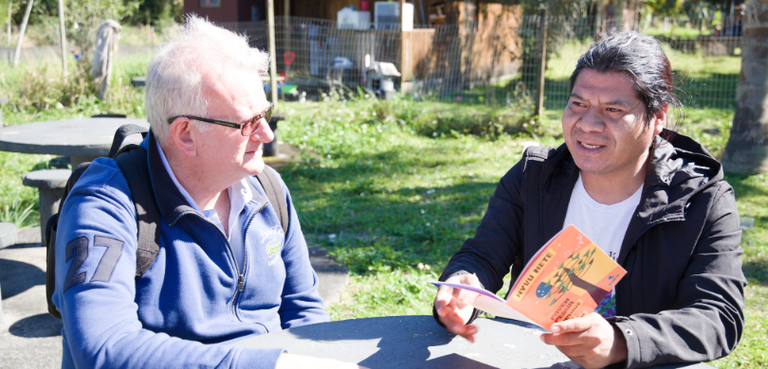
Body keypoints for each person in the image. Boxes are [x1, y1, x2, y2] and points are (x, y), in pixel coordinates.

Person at [52, 16, 357, 369]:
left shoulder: (268, 190)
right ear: (185, 134)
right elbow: (104, 348)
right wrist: (272, 365)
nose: (267, 135)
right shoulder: (106, 199)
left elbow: (303, 311)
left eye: (267, 114)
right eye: (248, 123)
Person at [433, 31, 746, 369]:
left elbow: (718, 316)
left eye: (613, 109)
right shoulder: (533, 177)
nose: (588, 124)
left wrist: (621, 341)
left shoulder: (703, 199)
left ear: (658, 118)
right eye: (578, 104)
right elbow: (483, 254)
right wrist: (464, 285)